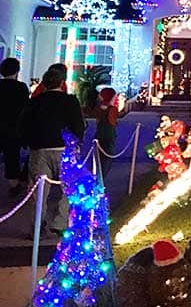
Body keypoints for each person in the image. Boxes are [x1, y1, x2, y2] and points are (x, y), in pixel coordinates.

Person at [17, 69, 85, 234]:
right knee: (68, 189)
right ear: (62, 83)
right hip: (64, 149)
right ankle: (60, 223)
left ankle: (37, 227)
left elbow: (24, 123)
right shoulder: (70, 101)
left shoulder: (35, 101)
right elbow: (78, 123)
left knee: (39, 193)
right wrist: (77, 141)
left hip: (40, 149)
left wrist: (27, 142)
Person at [0, 58, 29, 195]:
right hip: (13, 128)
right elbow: (25, 109)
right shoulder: (21, 87)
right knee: (12, 157)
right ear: (17, 71)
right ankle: (13, 184)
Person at [94, 87, 119, 178]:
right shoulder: (112, 109)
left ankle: (97, 179)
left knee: (98, 161)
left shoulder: (98, 109)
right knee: (107, 161)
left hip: (99, 135)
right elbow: (112, 122)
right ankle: (101, 181)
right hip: (109, 136)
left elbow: (97, 120)